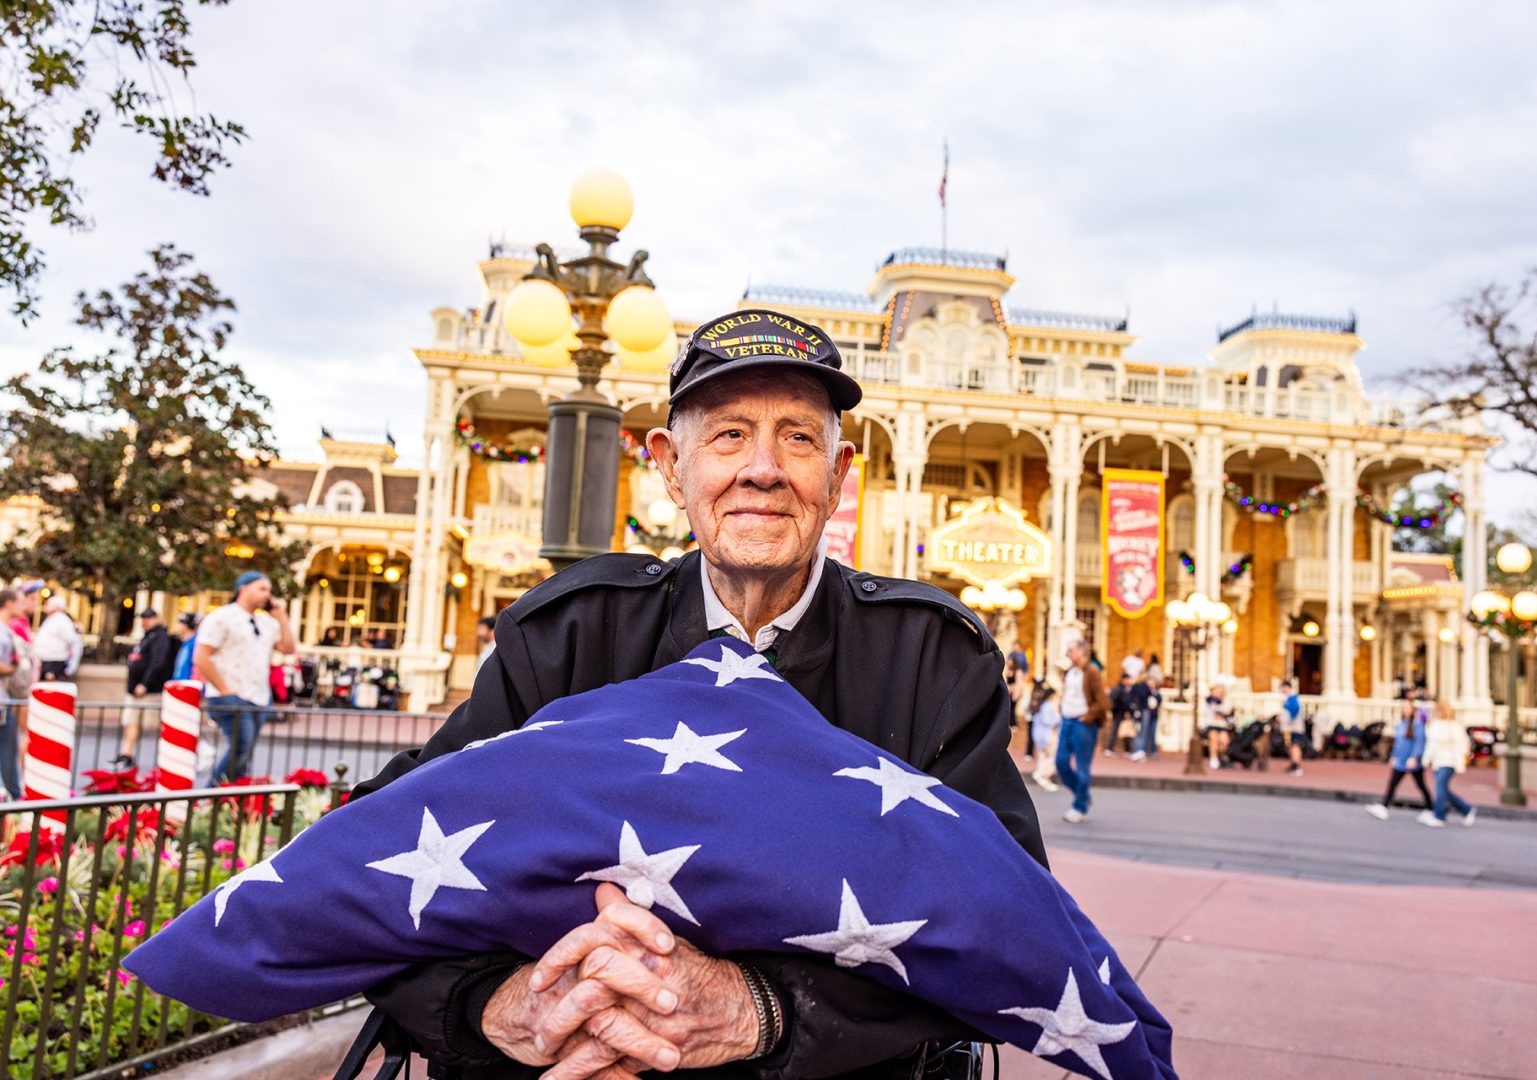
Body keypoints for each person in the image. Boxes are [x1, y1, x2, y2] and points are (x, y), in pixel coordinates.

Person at [351, 309, 1042, 1080]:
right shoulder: (570, 636)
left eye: (798, 437)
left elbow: (1009, 916)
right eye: (728, 434)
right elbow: (377, 858)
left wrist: (761, 1010)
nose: (763, 468)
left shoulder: (929, 659)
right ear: (670, 468)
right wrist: (497, 1006)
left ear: (838, 475)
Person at [193, 572, 296, 785]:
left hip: (259, 697)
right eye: (261, 588)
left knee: (245, 754)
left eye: (269, 590)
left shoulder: (267, 623)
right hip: (230, 696)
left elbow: (288, 648)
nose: (267, 595)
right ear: (243, 588)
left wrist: (282, 617)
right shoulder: (222, 617)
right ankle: (209, 795)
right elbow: (201, 656)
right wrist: (223, 689)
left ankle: (230, 800)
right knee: (240, 748)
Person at [1054, 639, 1108, 823]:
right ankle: (1082, 793)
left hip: (1083, 724)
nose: (1068, 653)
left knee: (1082, 766)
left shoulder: (1092, 672)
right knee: (1061, 762)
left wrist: (1088, 717)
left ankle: (1079, 807)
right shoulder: (1071, 672)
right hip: (1067, 722)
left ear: (1082, 652)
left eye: (1071, 650)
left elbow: (1103, 702)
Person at [114, 608, 174, 768]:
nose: (144, 621)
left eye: (148, 618)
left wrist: (145, 683)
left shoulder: (160, 637)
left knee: (153, 725)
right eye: (143, 618)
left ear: (157, 618)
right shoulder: (147, 637)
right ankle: (127, 753)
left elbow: (158, 662)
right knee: (131, 721)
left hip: (149, 690)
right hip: (135, 689)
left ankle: (169, 758)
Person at [1366, 698, 1433, 820]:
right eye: (1404, 708)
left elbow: (1420, 743)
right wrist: (1394, 756)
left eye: (1407, 708)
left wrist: (1414, 757)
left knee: (1421, 785)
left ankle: (1430, 808)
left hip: (1412, 761)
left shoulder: (1418, 725)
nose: (1405, 710)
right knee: (1393, 784)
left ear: (1413, 710)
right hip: (1401, 760)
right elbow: (1398, 743)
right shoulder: (1400, 724)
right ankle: (1384, 806)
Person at [1417, 701, 1475, 828]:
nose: (1438, 713)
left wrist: (1459, 762)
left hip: (1449, 761)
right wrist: (1426, 760)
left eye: (1440, 710)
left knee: (1440, 786)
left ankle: (1439, 815)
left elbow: (1462, 745)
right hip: (1437, 761)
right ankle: (1466, 809)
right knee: (1443, 789)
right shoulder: (1434, 725)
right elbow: (1430, 745)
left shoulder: (1454, 726)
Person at [0, 587, 33, 799]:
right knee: (7, 750)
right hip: (2, 699)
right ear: (9, 603)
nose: (26, 606)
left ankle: (14, 796)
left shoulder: (7, 630)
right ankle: (14, 797)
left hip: (5, 698)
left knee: (8, 749)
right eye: (21, 601)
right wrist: (14, 667)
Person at [32, 595, 80, 682]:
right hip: (44, 659)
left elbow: (70, 639)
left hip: (54, 660)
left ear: (57, 607)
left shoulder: (63, 620)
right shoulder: (50, 619)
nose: (46, 606)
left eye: (49, 604)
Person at [1028, 680, 1061, 792]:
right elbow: (1048, 721)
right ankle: (1040, 773)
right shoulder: (1047, 706)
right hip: (1047, 735)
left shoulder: (1040, 706)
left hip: (1039, 735)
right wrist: (1058, 719)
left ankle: (1045, 780)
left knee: (1043, 757)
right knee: (1053, 757)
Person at [1202, 682, 1235, 769]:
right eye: (1216, 692)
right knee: (1213, 738)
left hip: (1222, 726)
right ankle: (1213, 758)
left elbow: (1227, 712)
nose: (1218, 694)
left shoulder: (1226, 702)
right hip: (1211, 725)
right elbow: (1206, 714)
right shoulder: (1208, 702)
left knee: (1224, 741)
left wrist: (1219, 711)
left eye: (1220, 692)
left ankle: (1221, 756)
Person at [1105, 670, 1138, 756]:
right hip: (1119, 712)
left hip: (1122, 712)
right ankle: (1109, 748)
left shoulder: (1124, 688)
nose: (1129, 681)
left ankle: (1127, 749)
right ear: (1124, 680)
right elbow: (1121, 701)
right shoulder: (1119, 689)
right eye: (1128, 679)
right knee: (1116, 730)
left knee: (1125, 730)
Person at [1131, 672, 1162, 761]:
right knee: (1141, 732)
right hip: (1143, 711)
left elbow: (1157, 699)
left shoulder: (1137, 687)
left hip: (1140, 711)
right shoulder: (1144, 688)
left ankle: (1140, 750)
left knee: (1140, 732)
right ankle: (1140, 751)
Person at [1277, 679, 1305, 776]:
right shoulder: (1291, 698)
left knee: (1295, 745)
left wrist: (1288, 721)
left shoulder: (1292, 698)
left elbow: (1294, 711)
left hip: (1294, 727)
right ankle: (1294, 764)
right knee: (1292, 745)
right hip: (1292, 726)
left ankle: (1296, 766)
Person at [171, 613, 201, 680]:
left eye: (179, 623)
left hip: (187, 685)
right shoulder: (185, 643)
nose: (176, 625)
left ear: (185, 626)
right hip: (179, 684)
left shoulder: (194, 644)